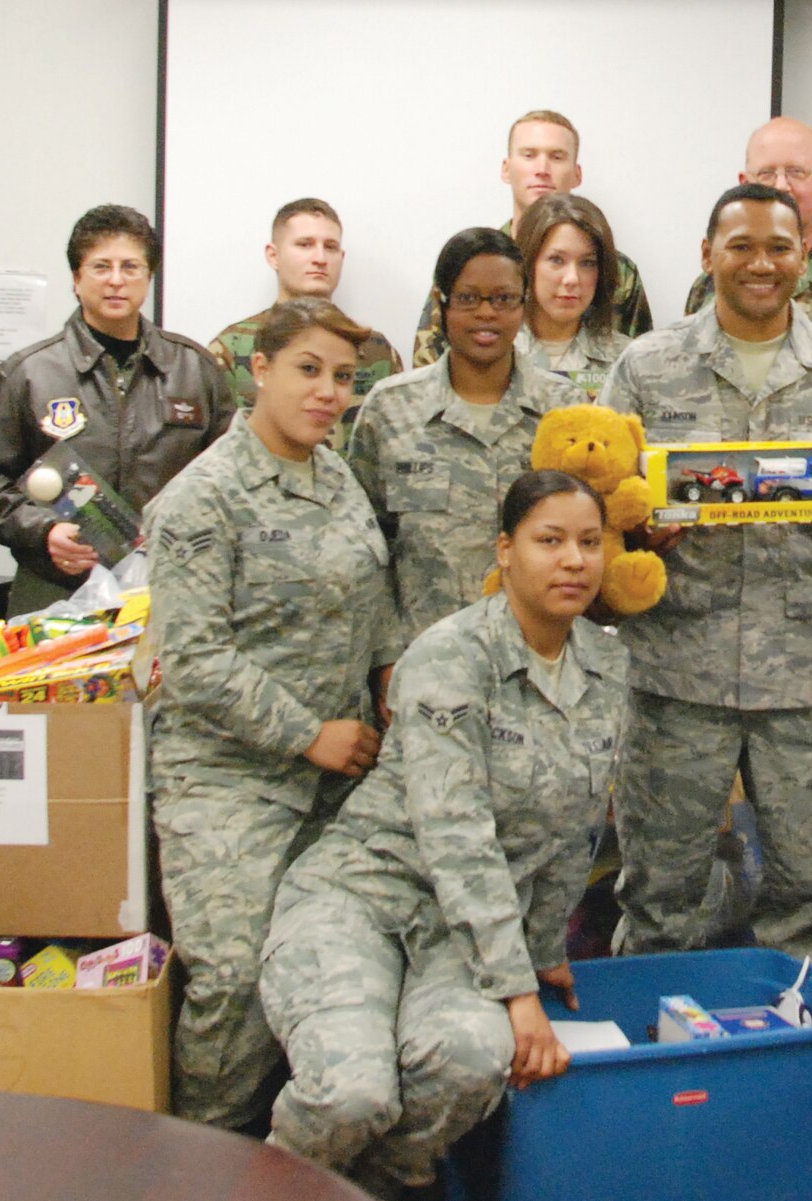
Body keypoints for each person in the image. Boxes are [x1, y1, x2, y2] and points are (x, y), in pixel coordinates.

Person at [259, 471, 629, 1199]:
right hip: (360, 897)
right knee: (352, 1093)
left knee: (470, 1059)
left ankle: (385, 1182)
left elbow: (573, 822)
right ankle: (275, 1185)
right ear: (505, 550)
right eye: (548, 540)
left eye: (590, 542)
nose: (574, 560)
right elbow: (455, 830)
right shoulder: (449, 655)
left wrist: (544, 946)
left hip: (460, 934)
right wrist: (517, 987)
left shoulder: (606, 663)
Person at [601, 182, 812, 971]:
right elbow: (597, 505)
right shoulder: (647, 367)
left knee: (807, 897)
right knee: (659, 898)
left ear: (804, 257)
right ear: (709, 255)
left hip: (807, 685)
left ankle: (799, 1075)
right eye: (740, 246)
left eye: (779, 246)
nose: (761, 263)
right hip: (676, 680)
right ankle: (651, 1076)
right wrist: (635, 536)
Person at [143, 297, 399, 1131]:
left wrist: (392, 681)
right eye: (308, 370)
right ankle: (203, 1156)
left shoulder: (340, 478)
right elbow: (192, 659)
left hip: (339, 778)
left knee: (335, 971)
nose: (327, 392)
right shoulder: (202, 498)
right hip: (229, 776)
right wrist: (307, 735)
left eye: (343, 378)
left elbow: (373, 605)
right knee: (237, 975)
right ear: (259, 369)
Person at [0, 203, 234, 615]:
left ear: (148, 277)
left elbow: (229, 480)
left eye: (130, 268)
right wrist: (44, 532)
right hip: (56, 588)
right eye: (100, 267)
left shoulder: (195, 369)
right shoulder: (27, 374)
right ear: (76, 279)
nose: (115, 281)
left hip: (171, 588)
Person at [349, 227, 585, 648]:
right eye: (468, 298)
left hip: (540, 653)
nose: (486, 314)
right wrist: (383, 655)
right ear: (441, 305)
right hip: (424, 657)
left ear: (523, 304)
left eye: (503, 299)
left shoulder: (565, 410)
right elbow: (365, 551)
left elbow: (589, 539)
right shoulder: (390, 409)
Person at [410, 111, 652, 367]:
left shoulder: (618, 270)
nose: (542, 170)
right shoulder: (471, 264)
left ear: (577, 174)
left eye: (557, 157)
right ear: (506, 169)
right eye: (529, 155)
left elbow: (639, 365)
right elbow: (430, 368)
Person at [208, 198, 406, 444]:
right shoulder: (231, 346)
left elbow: (394, 442)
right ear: (273, 255)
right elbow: (217, 446)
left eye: (330, 247)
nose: (320, 258)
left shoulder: (376, 349)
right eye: (305, 245)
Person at [682, 117, 812, 336]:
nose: (781, 186)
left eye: (796, 172)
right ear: (745, 183)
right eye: (766, 174)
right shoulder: (713, 283)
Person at [512, 192, 634, 393]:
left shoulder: (627, 360)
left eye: (587, 263)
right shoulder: (493, 352)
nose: (572, 279)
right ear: (528, 263)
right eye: (557, 260)